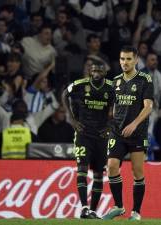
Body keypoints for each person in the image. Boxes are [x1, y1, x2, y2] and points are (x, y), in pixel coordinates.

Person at [103, 46, 153, 221]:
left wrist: (134, 123)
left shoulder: (145, 80)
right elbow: (114, 106)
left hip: (137, 133)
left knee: (137, 171)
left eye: (129, 59)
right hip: (117, 132)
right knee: (112, 166)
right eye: (122, 59)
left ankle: (136, 212)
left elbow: (148, 107)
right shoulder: (115, 81)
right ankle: (118, 206)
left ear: (136, 59)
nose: (125, 62)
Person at [62, 60, 114, 219]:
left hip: (101, 136)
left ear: (104, 73)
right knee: (82, 169)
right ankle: (84, 207)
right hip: (84, 133)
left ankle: (92, 211)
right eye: (94, 71)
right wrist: (71, 118)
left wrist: (110, 125)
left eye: (99, 71)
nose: (96, 74)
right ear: (90, 72)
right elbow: (65, 94)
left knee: (99, 174)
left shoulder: (111, 88)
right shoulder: (79, 84)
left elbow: (121, 106)